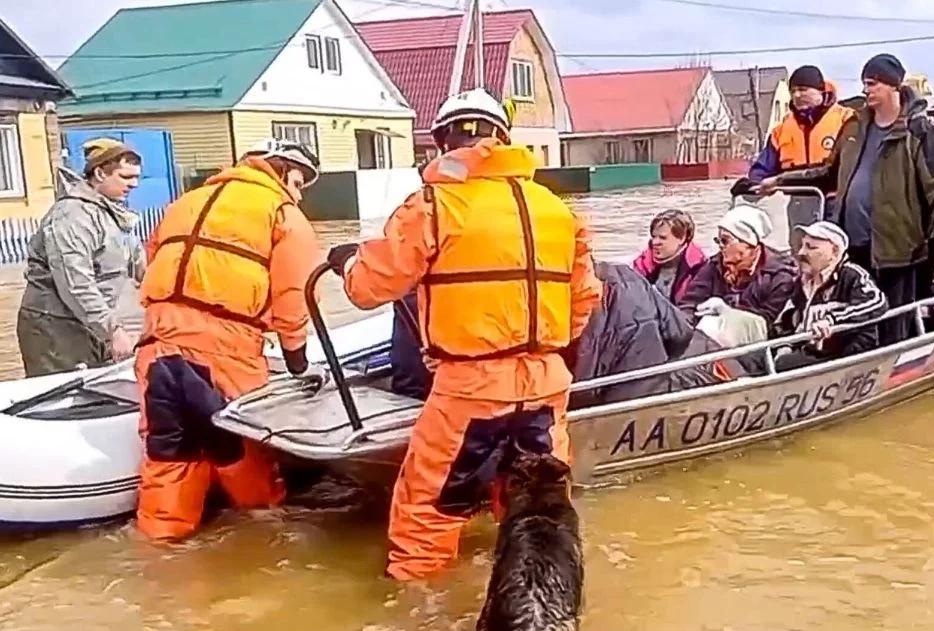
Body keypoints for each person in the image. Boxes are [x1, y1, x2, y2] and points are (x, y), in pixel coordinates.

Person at [324, 88, 602, 582]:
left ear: (440, 142)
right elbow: (583, 301)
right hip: (545, 384)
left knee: (425, 519)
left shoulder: (434, 204)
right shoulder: (558, 210)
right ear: (504, 138)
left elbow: (371, 287)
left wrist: (345, 259)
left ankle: (421, 623)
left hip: (470, 389)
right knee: (537, 514)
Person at [133, 138, 324, 542]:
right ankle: (261, 543)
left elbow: (155, 262)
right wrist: (297, 361)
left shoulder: (185, 202)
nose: (300, 192)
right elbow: (296, 297)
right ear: (286, 172)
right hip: (227, 352)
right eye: (301, 183)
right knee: (245, 454)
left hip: (156, 347)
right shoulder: (283, 215)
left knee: (167, 455)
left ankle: (160, 549)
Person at [830, 53, 934, 345]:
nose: (866, 90)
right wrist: (777, 180)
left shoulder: (921, 133)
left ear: (893, 86)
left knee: (894, 330)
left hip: (899, 251)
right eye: (864, 83)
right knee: (856, 327)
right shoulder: (854, 127)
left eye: (872, 83)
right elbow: (828, 174)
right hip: (853, 249)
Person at [17, 139, 144, 377]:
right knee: (63, 400)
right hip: (54, 326)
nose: (134, 185)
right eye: (126, 177)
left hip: (90, 323)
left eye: (137, 177)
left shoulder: (114, 215)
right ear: (99, 173)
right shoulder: (72, 216)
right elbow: (75, 283)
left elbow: (139, 264)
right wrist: (112, 330)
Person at [568, 261, 739, 409]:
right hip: (651, 391)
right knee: (704, 349)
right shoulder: (627, 275)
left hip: (595, 399)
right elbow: (681, 334)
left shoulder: (558, 299)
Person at [730, 65, 855, 228]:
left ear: (820, 91)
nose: (797, 95)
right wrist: (752, 184)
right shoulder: (781, 130)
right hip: (798, 204)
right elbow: (764, 166)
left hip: (836, 203)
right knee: (799, 250)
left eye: (803, 89)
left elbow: (846, 167)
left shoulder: (846, 120)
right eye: (793, 91)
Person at [775, 222, 888, 370]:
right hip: (808, 351)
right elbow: (787, 321)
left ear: (834, 252)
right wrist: (785, 345)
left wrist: (832, 320)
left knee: (783, 365)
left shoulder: (851, 275)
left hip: (844, 357)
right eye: (802, 246)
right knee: (754, 357)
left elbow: (878, 302)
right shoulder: (802, 281)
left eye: (811, 247)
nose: (801, 252)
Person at [678, 204, 795, 336]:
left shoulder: (780, 275)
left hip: (754, 343)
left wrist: (729, 314)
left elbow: (767, 322)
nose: (720, 247)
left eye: (725, 241)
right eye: (718, 241)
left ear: (747, 243)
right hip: (708, 337)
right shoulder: (714, 265)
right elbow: (690, 302)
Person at [630, 209, 706, 305]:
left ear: (681, 238)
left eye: (662, 238)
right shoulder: (643, 262)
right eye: (654, 236)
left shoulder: (699, 268)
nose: (655, 242)